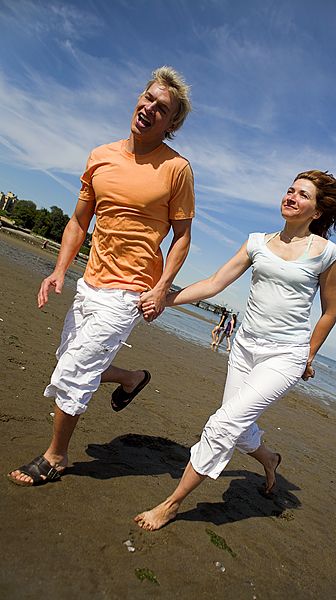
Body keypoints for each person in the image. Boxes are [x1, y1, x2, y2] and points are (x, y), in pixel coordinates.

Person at [8, 66, 195, 486]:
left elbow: (182, 238)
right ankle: (132, 378)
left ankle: (55, 457)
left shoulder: (176, 169)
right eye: (147, 98)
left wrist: (162, 288)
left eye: (160, 108)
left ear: (171, 124)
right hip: (90, 280)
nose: (148, 108)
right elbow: (78, 221)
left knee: (73, 373)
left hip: (130, 291)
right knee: (68, 359)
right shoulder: (101, 156)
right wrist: (59, 270)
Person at [135, 169, 336, 531]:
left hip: (285, 356)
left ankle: (172, 504)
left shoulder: (326, 253)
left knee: (223, 424)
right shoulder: (257, 243)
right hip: (244, 347)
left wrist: (309, 355)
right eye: (289, 190)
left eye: (302, 195)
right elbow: (214, 283)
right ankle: (271, 460)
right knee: (240, 427)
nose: (291, 197)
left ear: (316, 212)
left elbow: (330, 311)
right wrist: (165, 298)